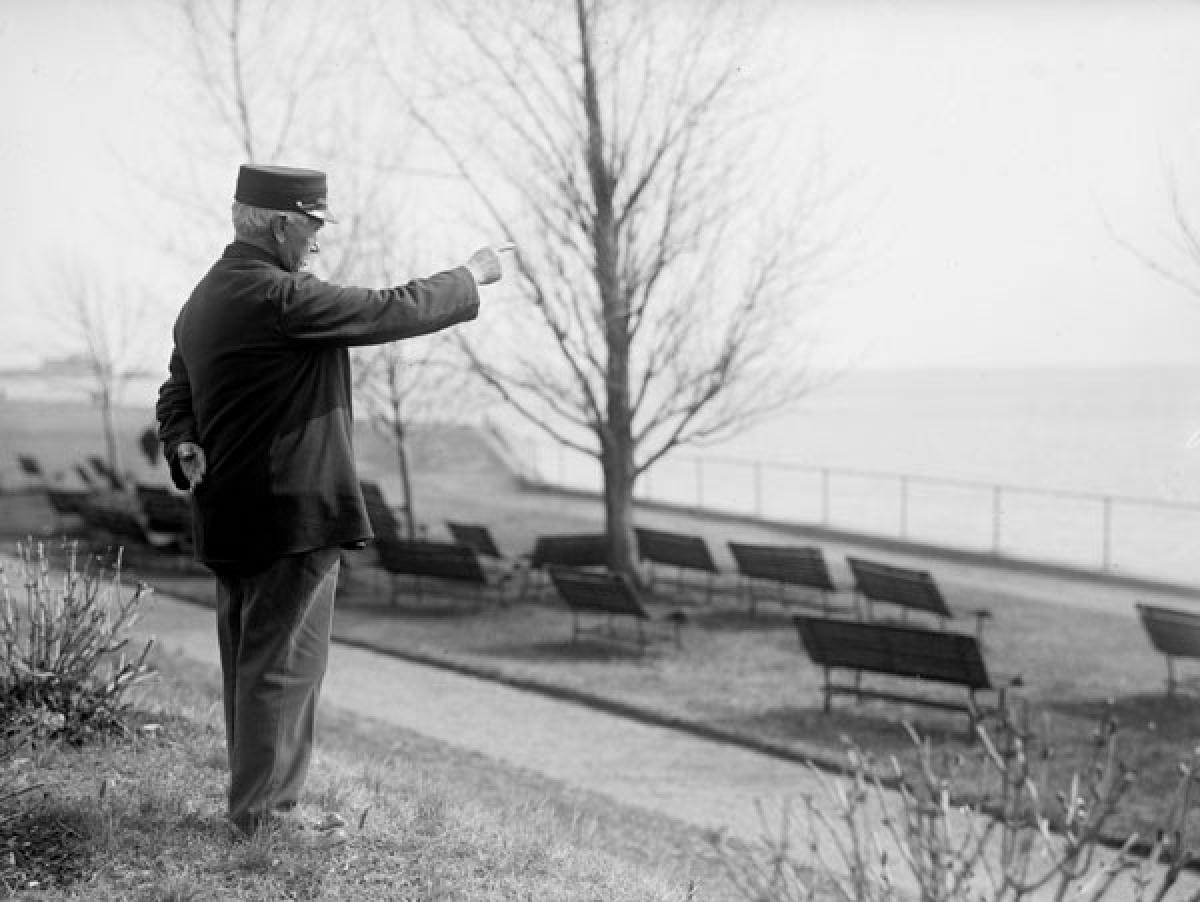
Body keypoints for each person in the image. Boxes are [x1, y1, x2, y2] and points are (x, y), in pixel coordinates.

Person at [155, 163, 506, 848]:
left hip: (231, 516)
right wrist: (470, 276)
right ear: (283, 223)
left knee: (252, 671)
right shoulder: (281, 296)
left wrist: (184, 441)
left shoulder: (204, 299)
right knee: (284, 670)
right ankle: (265, 822)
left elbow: (176, 390)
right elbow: (385, 309)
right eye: (314, 223)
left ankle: (254, 808)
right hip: (292, 521)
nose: (319, 238)